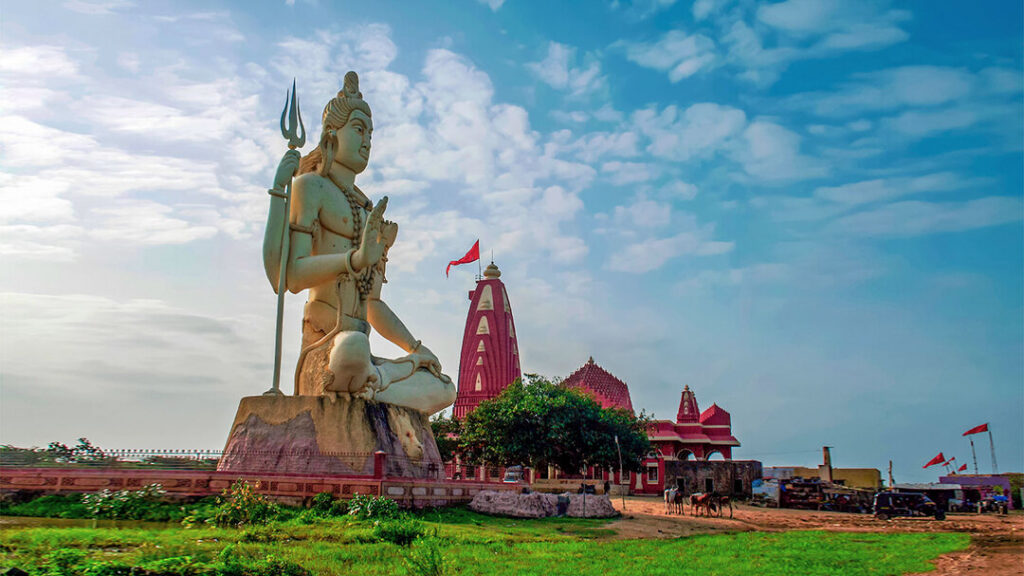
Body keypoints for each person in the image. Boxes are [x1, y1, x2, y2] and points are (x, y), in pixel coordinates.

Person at [262, 71, 456, 415]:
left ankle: (372, 383)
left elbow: (372, 305)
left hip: (360, 354)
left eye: (370, 134)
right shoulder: (311, 187)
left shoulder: (369, 213)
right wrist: (355, 258)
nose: (367, 141)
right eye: (358, 129)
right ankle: (375, 382)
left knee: (444, 387)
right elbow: (289, 277)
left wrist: (415, 350)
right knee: (350, 348)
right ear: (331, 135)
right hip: (325, 349)